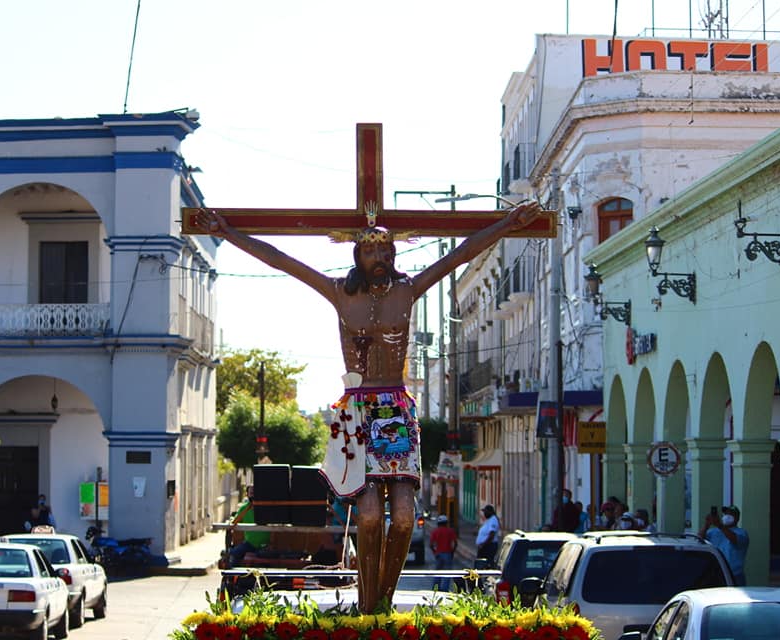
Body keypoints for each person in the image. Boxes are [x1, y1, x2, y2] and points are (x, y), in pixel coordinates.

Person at [192, 202, 543, 612]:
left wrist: (506, 224)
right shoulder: (340, 292)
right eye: (373, 251)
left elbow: (459, 255)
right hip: (358, 411)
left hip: (395, 409)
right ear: (357, 254)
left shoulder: (407, 290)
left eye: (388, 251)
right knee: (371, 515)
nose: (382, 257)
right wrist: (229, 233)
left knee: (406, 518)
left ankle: (384, 603)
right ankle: (367, 605)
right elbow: (282, 260)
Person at [700, 504, 749, 585]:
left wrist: (720, 525)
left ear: (737, 518)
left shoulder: (741, 533)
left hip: (734, 576)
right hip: (716, 574)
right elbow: (699, 540)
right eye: (726, 514)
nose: (727, 516)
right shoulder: (713, 531)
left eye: (730, 514)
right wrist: (706, 525)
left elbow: (734, 539)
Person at [224, 485, 271, 566]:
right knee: (233, 554)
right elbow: (234, 522)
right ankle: (232, 575)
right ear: (247, 495)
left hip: (268, 545)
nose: (253, 495)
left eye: (256, 493)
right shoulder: (244, 508)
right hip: (250, 544)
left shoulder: (268, 508)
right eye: (251, 493)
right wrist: (230, 522)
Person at [429, 515, 458, 591]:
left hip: (438, 554)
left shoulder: (435, 531)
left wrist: (435, 552)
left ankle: (436, 588)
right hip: (448, 554)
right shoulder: (450, 531)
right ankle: (445, 589)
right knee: (447, 572)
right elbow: (455, 543)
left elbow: (431, 544)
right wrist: (452, 552)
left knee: (438, 572)